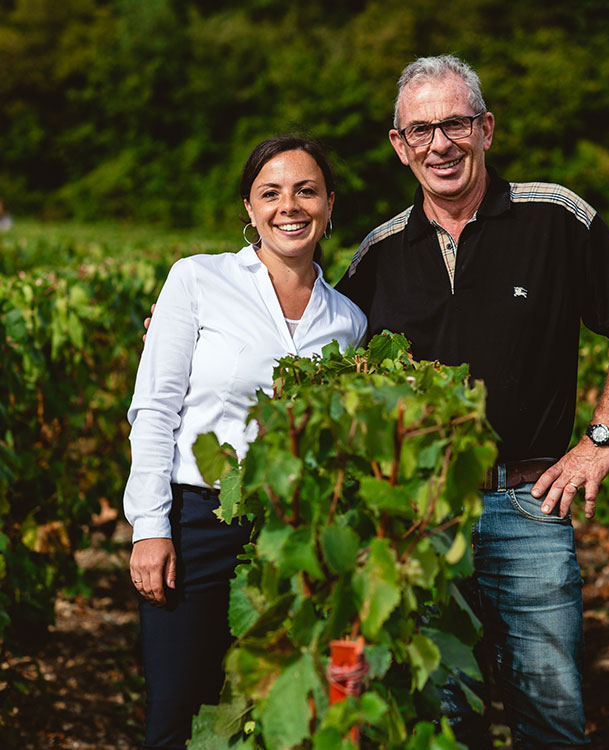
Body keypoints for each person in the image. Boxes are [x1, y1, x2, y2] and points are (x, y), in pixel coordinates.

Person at [334, 55, 609, 749]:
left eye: (455, 123)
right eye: (420, 130)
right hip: (422, 518)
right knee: (444, 720)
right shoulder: (379, 255)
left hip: (528, 507)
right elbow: (318, 346)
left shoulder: (555, 219)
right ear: (399, 147)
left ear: (486, 129)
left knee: (550, 716)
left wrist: (600, 440)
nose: (440, 144)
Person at [125, 135, 367, 749]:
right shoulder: (198, 279)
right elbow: (154, 408)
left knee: (288, 713)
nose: (290, 206)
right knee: (179, 714)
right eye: (272, 193)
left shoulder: (350, 321)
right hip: (198, 521)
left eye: (306, 191)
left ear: (330, 205)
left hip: (293, 532)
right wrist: (149, 527)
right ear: (250, 208)